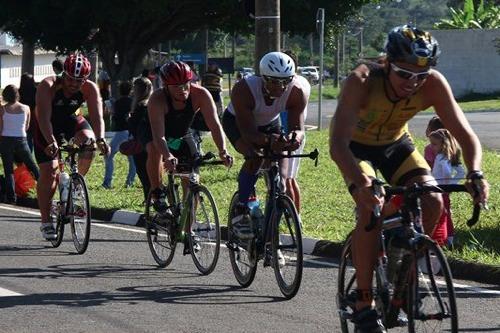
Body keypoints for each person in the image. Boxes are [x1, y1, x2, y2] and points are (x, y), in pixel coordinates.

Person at [329, 25, 489, 332]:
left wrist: (476, 172)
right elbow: (337, 144)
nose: (412, 83)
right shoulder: (362, 79)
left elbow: (465, 135)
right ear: (388, 63)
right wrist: (362, 185)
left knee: (433, 200)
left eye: (421, 75)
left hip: (395, 145)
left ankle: (405, 268)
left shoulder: (433, 84)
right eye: (404, 74)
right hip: (354, 147)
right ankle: (364, 302)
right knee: (370, 209)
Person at [222, 51, 307, 240]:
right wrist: (270, 141)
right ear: (263, 78)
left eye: (286, 81)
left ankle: (271, 235)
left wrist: (294, 138)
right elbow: (250, 134)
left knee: (282, 182)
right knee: (255, 156)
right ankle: (241, 207)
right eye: (274, 82)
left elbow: (298, 128)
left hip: (270, 123)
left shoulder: (296, 92)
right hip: (238, 122)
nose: (281, 87)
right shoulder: (244, 89)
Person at [34, 53, 110, 240]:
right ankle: (46, 221)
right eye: (70, 79)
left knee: (89, 142)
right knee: (50, 172)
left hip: (69, 120)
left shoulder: (90, 88)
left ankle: (76, 185)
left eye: (79, 80)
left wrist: (100, 139)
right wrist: (51, 141)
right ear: (63, 74)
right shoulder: (48, 85)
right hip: (45, 125)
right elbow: (43, 117)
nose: (74, 84)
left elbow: (97, 116)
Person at [144, 61, 232, 212]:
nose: (182, 90)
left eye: (185, 84)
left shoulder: (201, 94)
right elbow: (159, 137)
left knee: (192, 179)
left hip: (181, 134)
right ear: (166, 86)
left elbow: (215, 125)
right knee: (154, 148)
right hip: (156, 133)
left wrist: (223, 151)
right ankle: (158, 193)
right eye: (176, 87)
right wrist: (168, 155)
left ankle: (187, 229)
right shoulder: (157, 99)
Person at [280, 50, 311, 213]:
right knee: (289, 179)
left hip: (291, 134)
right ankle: (294, 215)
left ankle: (295, 216)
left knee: (288, 179)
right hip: (295, 133)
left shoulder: (295, 84)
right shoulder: (303, 81)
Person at [0, 85, 40, 204]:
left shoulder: (2, 109)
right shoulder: (26, 108)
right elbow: (27, 126)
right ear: (17, 94)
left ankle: (12, 198)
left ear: (5, 96)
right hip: (21, 140)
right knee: (32, 166)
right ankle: (45, 189)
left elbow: (0, 128)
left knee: (9, 170)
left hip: (6, 140)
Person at [429, 128, 465, 247]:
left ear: (443, 144)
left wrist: (446, 182)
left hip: (439, 190)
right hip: (444, 190)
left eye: (434, 144)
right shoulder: (448, 156)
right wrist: (451, 184)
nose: (431, 146)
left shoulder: (441, 157)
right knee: (446, 214)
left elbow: (447, 172)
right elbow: (461, 173)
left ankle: (445, 238)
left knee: (441, 214)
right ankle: (450, 237)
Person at [102, 80, 136, 189]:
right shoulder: (133, 102)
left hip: (120, 132)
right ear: (130, 91)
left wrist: (112, 110)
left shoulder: (117, 102)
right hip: (130, 133)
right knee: (132, 160)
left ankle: (107, 182)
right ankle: (129, 182)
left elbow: (116, 117)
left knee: (109, 155)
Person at [128, 76, 153, 202]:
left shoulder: (140, 106)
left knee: (144, 173)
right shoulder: (153, 104)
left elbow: (133, 126)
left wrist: (129, 119)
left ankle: (149, 198)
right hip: (153, 143)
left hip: (141, 144)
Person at [18, 73, 37, 152]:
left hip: (22, 117)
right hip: (35, 117)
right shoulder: (36, 91)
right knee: (36, 138)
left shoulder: (19, 91)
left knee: (27, 138)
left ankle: (28, 154)